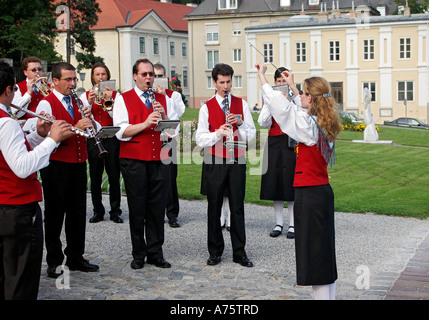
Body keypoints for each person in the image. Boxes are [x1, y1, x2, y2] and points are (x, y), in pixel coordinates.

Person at [255, 62, 341, 300]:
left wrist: (262, 78)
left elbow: (283, 109)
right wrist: (292, 84)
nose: (299, 95)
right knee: (323, 254)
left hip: (311, 194)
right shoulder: (323, 122)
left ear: (311, 99)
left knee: (315, 257)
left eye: (303, 93)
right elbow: (299, 108)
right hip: (320, 192)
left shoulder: (307, 126)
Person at [0, 61, 70, 299]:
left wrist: (38, 136)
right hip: (16, 209)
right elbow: (21, 167)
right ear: (9, 90)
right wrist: (53, 139)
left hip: (5, 205)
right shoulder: (6, 122)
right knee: (21, 279)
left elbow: (11, 153)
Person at [36, 62, 100, 278]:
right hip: (56, 165)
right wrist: (76, 128)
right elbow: (48, 137)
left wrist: (90, 122)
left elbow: (90, 130)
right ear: (55, 81)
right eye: (68, 80)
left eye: (74, 79)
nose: (73, 84)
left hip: (78, 163)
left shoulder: (77, 100)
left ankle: (75, 256)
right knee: (54, 213)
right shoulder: (46, 104)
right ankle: (54, 260)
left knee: (77, 212)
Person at [113, 59, 175, 270]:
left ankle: (156, 253)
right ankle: (138, 253)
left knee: (157, 208)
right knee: (137, 207)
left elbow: (172, 132)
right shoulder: (123, 99)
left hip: (160, 158)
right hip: (134, 160)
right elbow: (120, 132)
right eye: (145, 74)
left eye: (151, 74)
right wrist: (145, 123)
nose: (149, 78)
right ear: (135, 76)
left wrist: (164, 116)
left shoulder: (162, 98)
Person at [196, 63, 256, 267]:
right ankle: (215, 251)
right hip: (214, 160)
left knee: (237, 207)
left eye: (229, 81)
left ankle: (239, 252)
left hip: (237, 159)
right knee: (214, 206)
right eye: (221, 82)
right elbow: (200, 139)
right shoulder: (206, 106)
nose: (226, 86)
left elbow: (252, 134)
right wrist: (217, 133)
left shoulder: (242, 104)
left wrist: (240, 124)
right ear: (214, 82)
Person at [80, 63, 123, 223]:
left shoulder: (116, 96)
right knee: (95, 177)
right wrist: (89, 103)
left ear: (108, 76)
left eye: (103, 74)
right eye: (97, 74)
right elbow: (83, 114)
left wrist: (108, 99)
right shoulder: (85, 95)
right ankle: (98, 211)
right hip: (94, 139)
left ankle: (115, 211)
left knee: (113, 176)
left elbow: (114, 115)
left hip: (111, 139)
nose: (100, 77)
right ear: (93, 77)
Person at [258, 67, 296, 239]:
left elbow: (300, 117)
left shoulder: (295, 98)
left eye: (284, 81)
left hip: (290, 143)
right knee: (275, 183)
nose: (281, 84)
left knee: (291, 183)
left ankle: (293, 224)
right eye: (278, 81)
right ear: (275, 83)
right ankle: (279, 223)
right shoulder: (270, 98)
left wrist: (289, 101)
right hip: (274, 142)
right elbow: (263, 123)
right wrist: (270, 104)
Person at [153, 63, 185, 228]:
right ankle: (155, 212)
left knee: (170, 177)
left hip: (168, 138)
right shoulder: (148, 94)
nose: (157, 79)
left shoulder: (174, 95)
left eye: (160, 76)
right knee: (154, 177)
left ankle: (172, 213)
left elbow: (179, 113)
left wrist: (166, 96)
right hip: (153, 139)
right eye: (155, 75)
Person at [11, 56, 47, 120]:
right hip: (27, 125)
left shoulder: (48, 86)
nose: (37, 72)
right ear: (25, 72)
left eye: (39, 69)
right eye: (33, 70)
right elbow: (16, 113)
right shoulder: (17, 87)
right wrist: (28, 93)